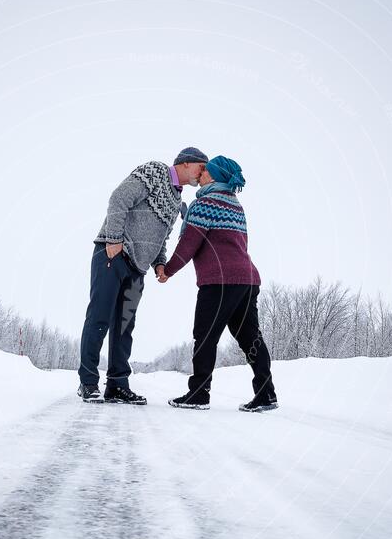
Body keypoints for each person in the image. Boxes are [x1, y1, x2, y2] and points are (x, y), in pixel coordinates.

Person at [77, 147, 208, 404]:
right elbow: (119, 198)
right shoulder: (155, 171)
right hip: (113, 254)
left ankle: (117, 385)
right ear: (185, 163)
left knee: (124, 328)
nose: (202, 174)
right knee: (100, 318)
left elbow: (162, 237)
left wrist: (160, 264)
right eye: (201, 167)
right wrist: (114, 239)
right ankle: (88, 382)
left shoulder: (177, 200)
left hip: (138, 269)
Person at [159, 155, 278, 413]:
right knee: (250, 338)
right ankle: (266, 394)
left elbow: (189, 244)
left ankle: (199, 393)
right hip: (247, 280)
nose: (200, 175)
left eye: (205, 172)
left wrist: (167, 270)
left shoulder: (206, 204)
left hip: (220, 283)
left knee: (205, 336)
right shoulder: (235, 204)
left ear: (212, 176)